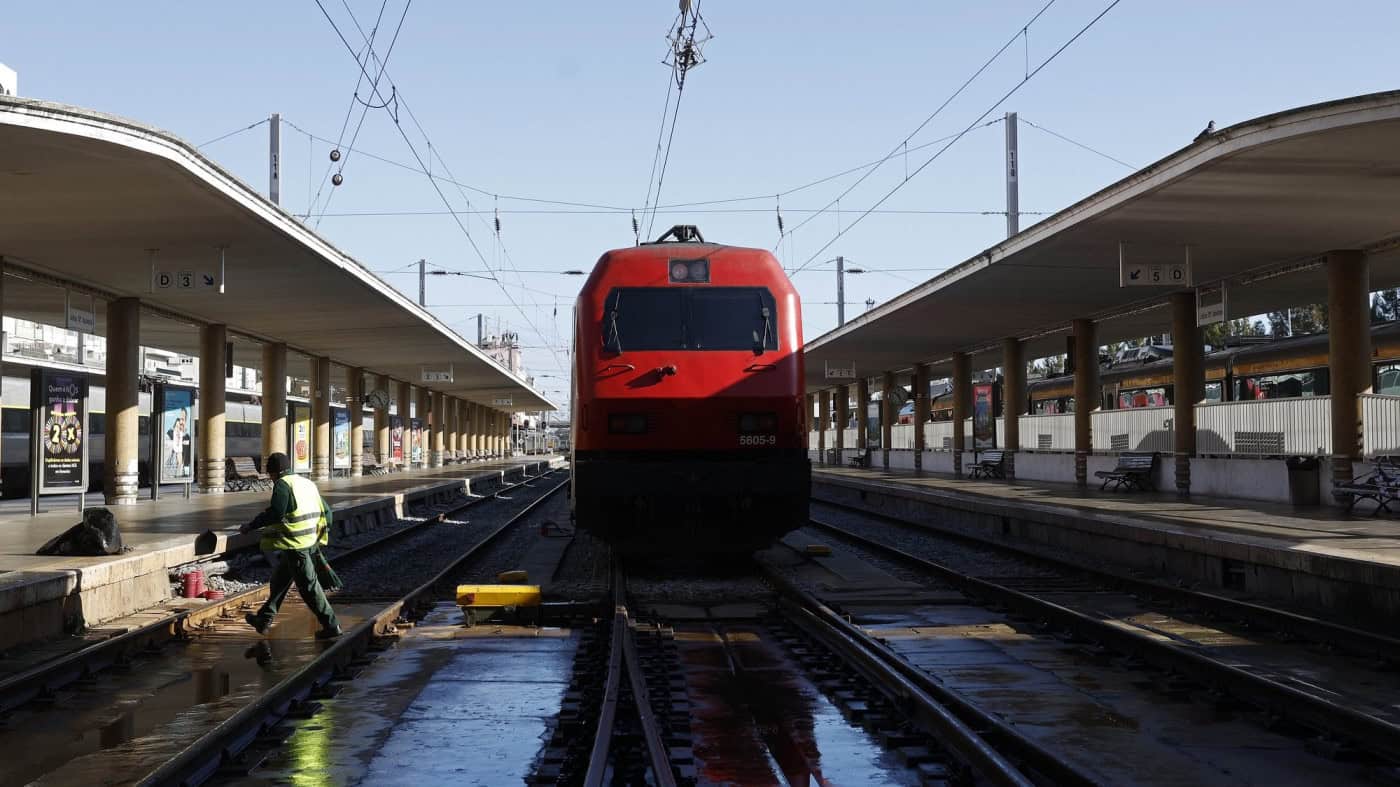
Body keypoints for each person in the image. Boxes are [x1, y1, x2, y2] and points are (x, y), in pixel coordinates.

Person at [240, 452, 342, 639]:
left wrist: (251, 525)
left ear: (275, 473)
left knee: (309, 588)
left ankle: (331, 625)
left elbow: (276, 513)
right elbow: (327, 512)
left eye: (270, 475)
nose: (270, 479)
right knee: (279, 582)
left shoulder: (283, 484)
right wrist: (318, 534)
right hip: (307, 542)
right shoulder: (306, 483)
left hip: (297, 545)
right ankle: (263, 620)